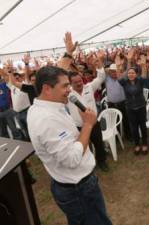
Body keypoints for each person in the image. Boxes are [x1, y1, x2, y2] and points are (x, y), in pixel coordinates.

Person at [27, 66, 113, 225]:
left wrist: (68, 53)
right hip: (78, 190)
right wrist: (88, 125)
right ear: (46, 88)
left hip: (73, 186)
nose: (69, 89)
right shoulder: (46, 120)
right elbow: (72, 159)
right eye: (65, 86)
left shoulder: (45, 107)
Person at [67, 52, 109, 171]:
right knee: (84, 147)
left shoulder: (89, 87)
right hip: (79, 127)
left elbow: (101, 77)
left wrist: (100, 65)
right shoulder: (68, 94)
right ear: (70, 83)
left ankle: (102, 162)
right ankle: (89, 165)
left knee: (98, 143)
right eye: (75, 82)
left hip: (94, 124)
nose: (79, 83)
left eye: (80, 81)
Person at [118, 66, 148, 155]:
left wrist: (143, 64)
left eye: (133, 73)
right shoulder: (124, 82)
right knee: (134, 128)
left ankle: (145, 144)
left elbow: (144, 75)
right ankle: (137, 144)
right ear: (127, 75)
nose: (131, 74)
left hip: (141, 107)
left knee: (143, 126)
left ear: (136, 74)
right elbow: (119, 77)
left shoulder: (140, 81)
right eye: (129, 73)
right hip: (130, 108)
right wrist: (118, 67)